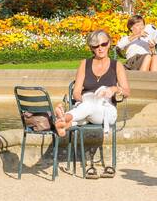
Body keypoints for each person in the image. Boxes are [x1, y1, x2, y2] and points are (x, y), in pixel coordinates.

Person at [53, 29, 130, 178]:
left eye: (103, 44)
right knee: (87, 106)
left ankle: (65, 118)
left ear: (109, 44)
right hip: (87, 106)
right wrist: (82, 98)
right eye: (95, 46)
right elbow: (76, 92)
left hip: (107, 111)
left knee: (87, 108)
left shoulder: (116, 65)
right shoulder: (85, 64)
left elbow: (127, 91)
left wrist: (114, 89)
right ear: (91, 48)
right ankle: (66, 123)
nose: (100, 48)